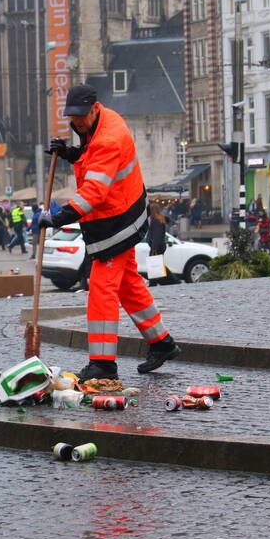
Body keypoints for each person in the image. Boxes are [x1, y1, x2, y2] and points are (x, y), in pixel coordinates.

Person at [42, 83, 180, 380]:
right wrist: (71, 153)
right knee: (128, 284)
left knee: (102, 289)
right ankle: (162, 342)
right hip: (122, 214)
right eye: (72, 116)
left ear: (95, 108)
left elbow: (94, 192)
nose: (77, 121)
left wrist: (57, 218)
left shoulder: (108, 139)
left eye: (81, 116)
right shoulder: (103, 122)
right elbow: (91, 160)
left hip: (117, 222)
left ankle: (103, 363)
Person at [146, 201, 169, 287]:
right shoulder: (160, 219)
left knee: (154, 264)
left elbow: (156, 236)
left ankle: (153, 283)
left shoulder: (156, 221)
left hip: (156, 247)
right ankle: (154, 282)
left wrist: (153, 249)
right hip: (159, 246)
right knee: (157, 264)